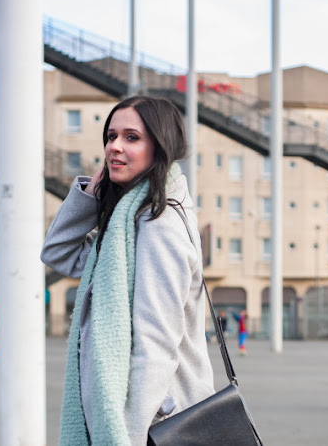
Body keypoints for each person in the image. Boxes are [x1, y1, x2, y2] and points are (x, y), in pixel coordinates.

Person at [41, 96, 215, 445]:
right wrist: (88, 197)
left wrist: (127, 436)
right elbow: (59, 253)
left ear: (160, 146)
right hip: (141, 418)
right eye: (110, 136)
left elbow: (156, 346)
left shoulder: (159, 224)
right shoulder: (128, 225)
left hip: (154, 421)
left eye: (131, 137)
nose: (114, 147)